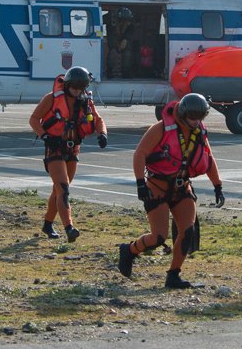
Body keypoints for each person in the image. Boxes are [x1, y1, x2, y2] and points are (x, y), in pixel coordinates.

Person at [117, 93, 225, 289]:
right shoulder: (161, 129)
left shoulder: (199, 131)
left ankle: (173, 275)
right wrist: (140, 183)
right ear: (183, 114)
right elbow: (140, 154)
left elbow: (208, 158)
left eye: (199, 118)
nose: (195, 122)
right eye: (192, 117)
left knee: (188, 231)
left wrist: (217, 185)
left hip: (182, 186)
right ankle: (129, 250)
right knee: (158, 237)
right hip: (156, 187)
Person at [29, 66, 108, 242]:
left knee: (58, 190)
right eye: (74, 87)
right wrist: (45, 136)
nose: (77, 91)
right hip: (54, 148)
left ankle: (47, 224)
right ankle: (69, 228)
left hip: (73, 149)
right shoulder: (51, 99)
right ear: (67, 84)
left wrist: (102, 133)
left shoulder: (86, 102)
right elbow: (33, 119)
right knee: (63, 188)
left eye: (81, 88)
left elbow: (98, 119)